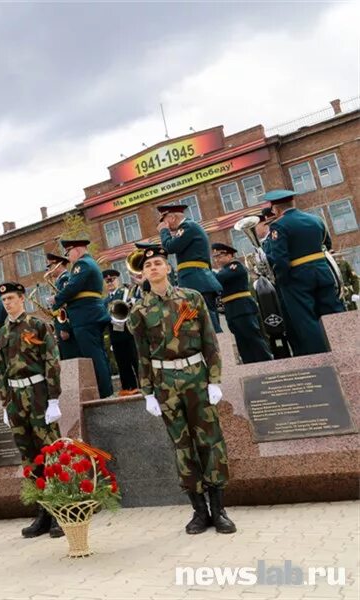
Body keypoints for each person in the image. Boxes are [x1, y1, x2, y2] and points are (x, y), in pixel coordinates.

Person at [127, 245, 235, 535]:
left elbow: (210, 340)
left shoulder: (192, 298)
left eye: (159, 263)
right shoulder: (139, 310)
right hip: (165, 384)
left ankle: (220, 510)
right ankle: (199, 512)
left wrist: (214, 380)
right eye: (148, 266)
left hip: (197, 377)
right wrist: (147, 392)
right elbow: (142, 354)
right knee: (182, 447)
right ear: (144, 273)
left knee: (210, 442)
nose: (153, 268)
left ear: (168, 268)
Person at [0, 282, 64, 538]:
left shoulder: (37, 325)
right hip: (15, 397)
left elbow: (52, 362)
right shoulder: (1, 333)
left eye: (11, 298)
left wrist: (54, 398)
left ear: (22, 299)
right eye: (4, 301)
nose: (8, 304)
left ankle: (60, 512)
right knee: (29, 457)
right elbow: (0, 370)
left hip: (38, 394)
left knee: (50, 453)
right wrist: (5, 403)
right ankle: (43, 512)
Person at [265, 190, 345, 356]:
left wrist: (281, 280)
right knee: (333, 312)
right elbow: (327, 244)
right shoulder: (316, 220)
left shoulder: (278, 226)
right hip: (323, 272)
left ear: (275, 209)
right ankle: (345, 349)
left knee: (306, 320)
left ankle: (321, 357)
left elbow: (280, 258)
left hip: (296, 278)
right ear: (293, 203)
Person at [52, 240, 113, 398]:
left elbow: (73, 286)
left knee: (93, 356)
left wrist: (56, 299)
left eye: (68, 253)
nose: (68, 257)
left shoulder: (82, 264)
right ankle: (105, 390)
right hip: (90, 313)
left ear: (77, 250)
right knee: (97, 354)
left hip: (86, 315)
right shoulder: (89, 263)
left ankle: (104, 392)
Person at [157, 204, 224, 333]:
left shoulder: (187, 226)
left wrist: (163, 231)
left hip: (196, 280)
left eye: (164, 221)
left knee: (208, 322)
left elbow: (170, 247)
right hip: (197, 279)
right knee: (202, 321)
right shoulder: (190, 227)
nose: (166, 226)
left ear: (171, 217)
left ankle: (219, 348)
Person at [211, 243, 273, 364]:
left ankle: (267, 364)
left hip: (243, 308)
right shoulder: (223, 270)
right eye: (215, 257)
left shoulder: (235, 266)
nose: (217, 259)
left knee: (254, 339)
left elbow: (219, 278)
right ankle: (249, 365)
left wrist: (206, 272)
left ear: (230, 255)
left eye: (219, 256)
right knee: (242, 343)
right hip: (232, 310)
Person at [103, 269, 140, 395]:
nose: (110, 283)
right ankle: (128, 388)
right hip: (116, 336)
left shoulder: (126, 293)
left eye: (112, 280)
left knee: (136, 360)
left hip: (129, 333)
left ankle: (143, 385)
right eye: (107, 281)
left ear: (117, 280)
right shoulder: (105, 301)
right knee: (122, 363)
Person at [49, 254, 79, 359]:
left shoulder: (65, 279)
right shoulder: (59, 281)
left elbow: (64, 304)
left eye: (51, 265)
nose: (50, 269)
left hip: (66, 326)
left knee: (72, 357)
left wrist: (64, 328)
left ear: (59, 265)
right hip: (61, 324)